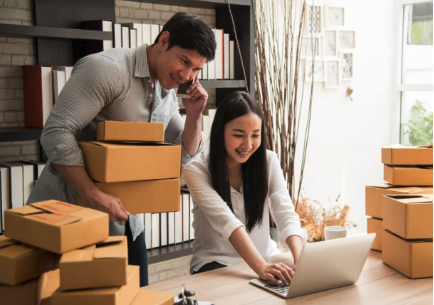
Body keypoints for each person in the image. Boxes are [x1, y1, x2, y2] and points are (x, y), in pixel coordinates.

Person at [27, 13, 216, 287]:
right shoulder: (107, 70)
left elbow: (183, 156)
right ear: (164, 41)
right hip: (69, 216)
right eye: (184, 61)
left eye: (196, 69)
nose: (187, 76)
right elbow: (56, 132)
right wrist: (93, 194)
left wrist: (195, 116)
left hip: (126, 222)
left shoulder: (166, 90)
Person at [183, 91, 307, 286]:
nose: (248, 145)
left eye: (255, 135)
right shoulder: (195, 170)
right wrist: (261, 268)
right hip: (217, 264)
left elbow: (286, 214)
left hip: (267, 257)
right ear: (220, 132)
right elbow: (228, 222)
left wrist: (301, 260)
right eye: (238, 135)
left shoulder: (269, 161)